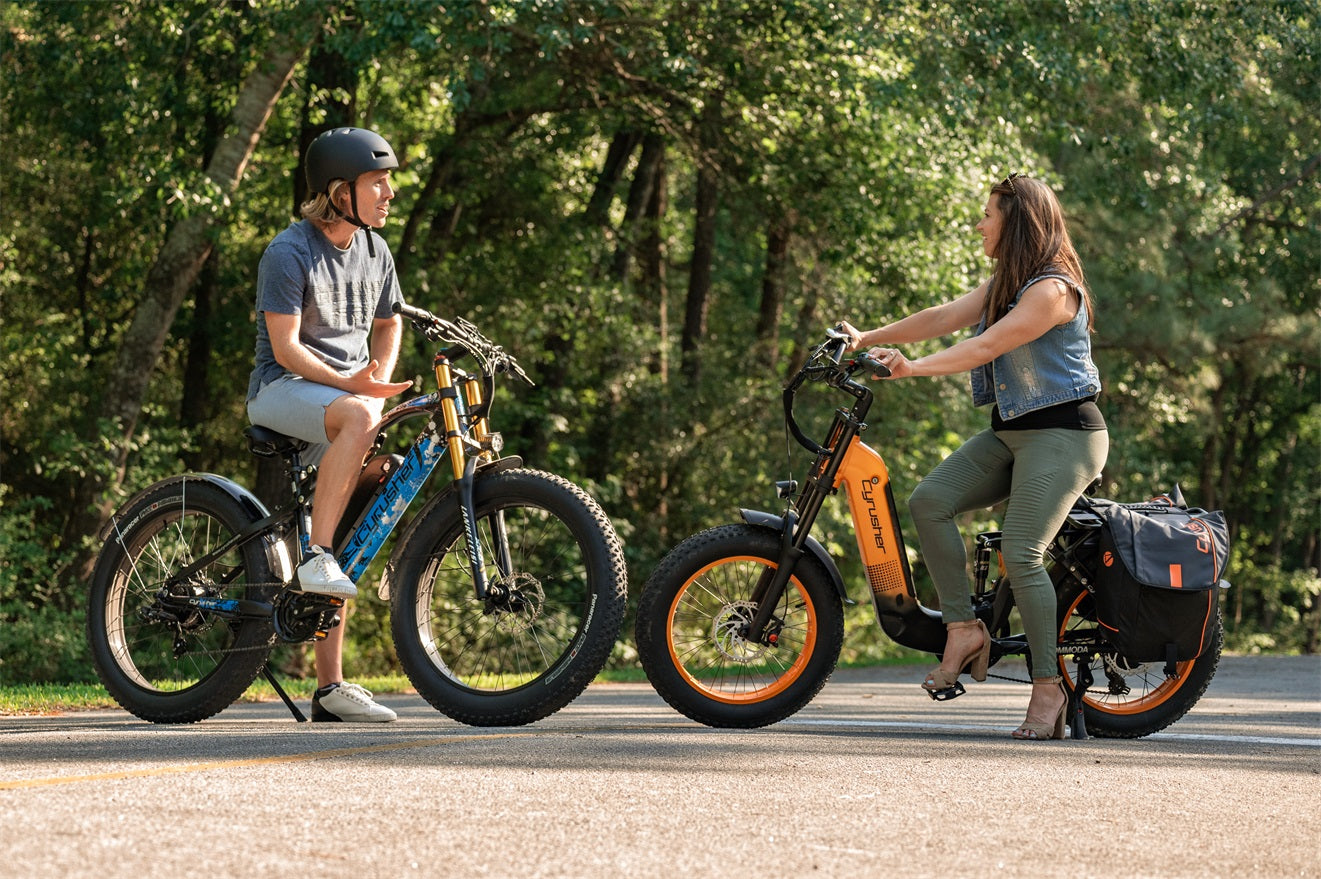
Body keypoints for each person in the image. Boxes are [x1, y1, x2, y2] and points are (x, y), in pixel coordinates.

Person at [840, 173, 1108, 741]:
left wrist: (912, 368)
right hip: (1013, 435)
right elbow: (942, 318)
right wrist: (866, 338)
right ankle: (963, 629)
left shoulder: (1051, 291)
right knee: (930, 500)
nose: (980, 223)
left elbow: (986, 346)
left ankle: (1047, 688)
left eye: (989, 213)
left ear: (1017, 222)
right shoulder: (1007, 284)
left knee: (1021, 550)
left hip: (1065, 436)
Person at [246, 127, 413, 723]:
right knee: (360, 420)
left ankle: (330, 689)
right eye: (377, 182)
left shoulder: (375, 251)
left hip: (345, 402)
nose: (389, 192)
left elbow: (390, 324)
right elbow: (286, 348)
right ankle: (314, 551)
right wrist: (357, 388)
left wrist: (376, 374)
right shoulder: (289, 251)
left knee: (371, 502)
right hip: (283, 391)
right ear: (340, 192)